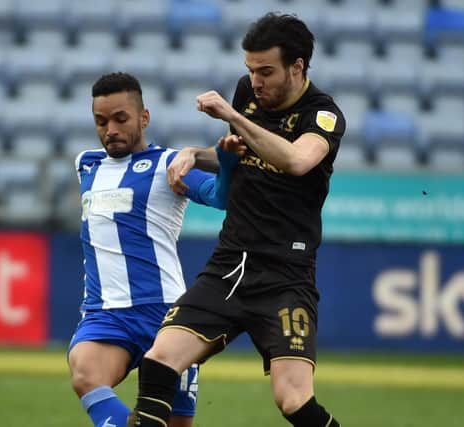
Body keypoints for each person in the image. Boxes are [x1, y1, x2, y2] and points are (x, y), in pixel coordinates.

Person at [126, 13, 346, 427]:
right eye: (250, 71)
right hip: (229, 266)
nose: (255, 81)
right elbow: (243, 154)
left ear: (297, 67)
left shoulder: (323, 115)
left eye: (266, 71)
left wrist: (233, 116)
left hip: (286, 275)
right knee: (159, 361)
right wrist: (199, 153)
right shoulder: (248, 94)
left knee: (293, 400)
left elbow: (297, 160)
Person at [67, 72, 237, 427]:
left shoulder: (169, 164)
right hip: (105, 313)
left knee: (176, 423)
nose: (110, 129)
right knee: (85, 374)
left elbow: (220, 198)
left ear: (144, 118)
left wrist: (229, 164)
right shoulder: (87, 163)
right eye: (101, 121)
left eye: (120, 119)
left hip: (167, 316)